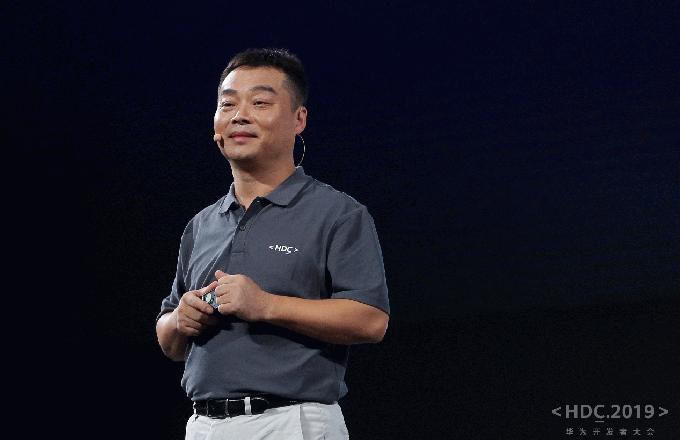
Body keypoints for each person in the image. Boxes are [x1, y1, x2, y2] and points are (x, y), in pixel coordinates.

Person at [155, 48, 390, 440]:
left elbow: (371, 320)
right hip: (203, 426)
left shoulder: (337, 212)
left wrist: (264, 305)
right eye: (227, 104)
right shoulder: (201, 225)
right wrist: (180, 319)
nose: (239, 115)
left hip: (290, 422)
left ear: (299, 119)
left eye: (260, 102)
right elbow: (170, 340)